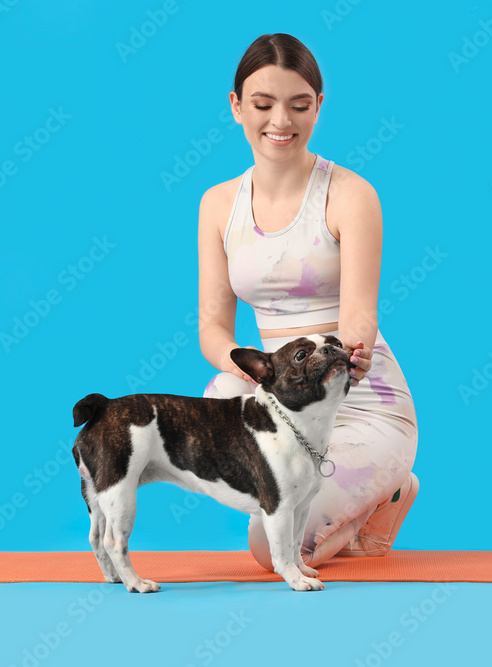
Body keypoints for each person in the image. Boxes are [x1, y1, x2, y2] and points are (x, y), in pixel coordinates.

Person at [197, 33, 418, 570]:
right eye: (263, 104)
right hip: (285, 402)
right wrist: (254, 370)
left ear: (318, 105)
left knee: (271, 549)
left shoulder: (350, 194)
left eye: (299, 105)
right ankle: (360, 499)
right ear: (236, 107)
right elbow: (213, 329)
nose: (281, 121)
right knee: (218, 391)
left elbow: (359, 315)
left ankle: (385, 493)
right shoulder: (218, 204)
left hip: (362, 402)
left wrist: (351, 356)